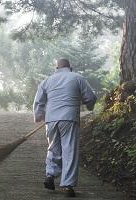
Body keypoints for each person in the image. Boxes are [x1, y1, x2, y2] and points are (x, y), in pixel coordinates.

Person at [33, 59, 97, 197]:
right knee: (69, 150)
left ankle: (50, 175)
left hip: (51, 120)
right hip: (69, 119)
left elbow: (38, 101)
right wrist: (89, 105)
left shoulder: (47, 81)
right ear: (70, 68)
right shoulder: (77, 78)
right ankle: (68, 186)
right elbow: (90, 97)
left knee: (53, 148)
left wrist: (39, 116)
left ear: (56, 68)